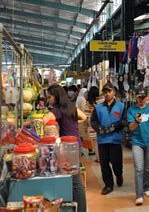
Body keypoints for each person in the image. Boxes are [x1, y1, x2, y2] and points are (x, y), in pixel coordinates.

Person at [42, 84, 88, 212]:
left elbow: (43, 121)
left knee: (75, 181)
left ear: (56, 97)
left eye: (50, 97)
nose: (48, 100)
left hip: (69, 148)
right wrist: (73, 124)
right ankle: (77, 208)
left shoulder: (57, 110)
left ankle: (81, 209)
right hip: (76, 144)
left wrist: (29, 124)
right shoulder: (71, 106)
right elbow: (84, 117)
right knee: (74, 180)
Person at [90, 84, 126, 195]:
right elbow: (93, 121)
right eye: (104, 92)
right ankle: (108, 185)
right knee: (104, 164)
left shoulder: (121, 106)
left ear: (114, 92)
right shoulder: (98, 107)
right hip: (102, 140)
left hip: (115, 140)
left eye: (109, 91)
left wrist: (115, 125)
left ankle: (119, 175)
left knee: (116, 163)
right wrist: (99, 128)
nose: (106, 93)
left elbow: (125, 121)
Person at [127, 88, 149, 206]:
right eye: (139, 97)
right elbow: (130, 128)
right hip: (137, 143)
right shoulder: (131, 110)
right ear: (135, 97)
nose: (141, 100)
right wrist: (136, 121)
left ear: (147, 97)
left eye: (143, 97)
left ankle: (146, 187)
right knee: (139, 168)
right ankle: (139, 195)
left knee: (148, 168)